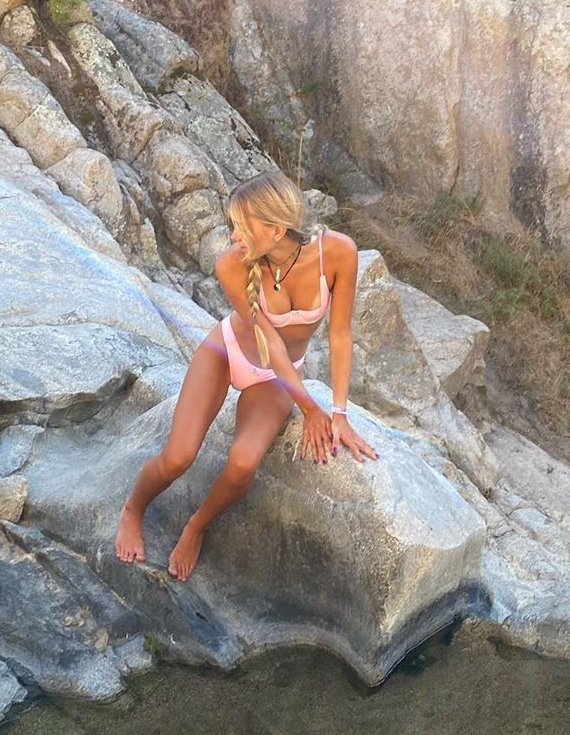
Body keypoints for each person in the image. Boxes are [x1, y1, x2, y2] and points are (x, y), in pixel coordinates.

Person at [115, 170, 378, 581]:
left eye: (241, 226)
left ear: (276, 230)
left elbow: (341, 334)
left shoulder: (339, 252)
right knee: (178, 457)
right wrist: (310, 409)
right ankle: (133, 509)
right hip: (226, 352)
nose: (233, 236)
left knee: (242, 465)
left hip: (275, 379)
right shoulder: (230, 265)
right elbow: (270, 343)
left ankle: (197, 525)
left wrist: (338, 413)